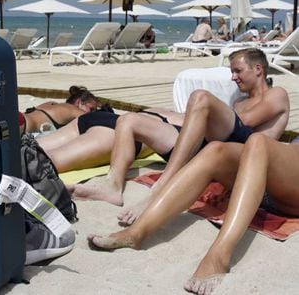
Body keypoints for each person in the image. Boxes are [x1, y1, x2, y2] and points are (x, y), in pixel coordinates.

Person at [82, 48, 289, 225]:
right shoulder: (238, 101)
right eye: (232, 72)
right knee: (129, 120)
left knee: (200, 97)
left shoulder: (276, 94)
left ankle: (163, 185)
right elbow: (215, 122)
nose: (233, 77)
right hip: (214, 148)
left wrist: (203, 112)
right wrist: (178, 116)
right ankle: (113, 185)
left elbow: (246, 121)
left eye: (238, 71)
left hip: (246, 155)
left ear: (258, 69)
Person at [87, 134, 299, 294]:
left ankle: (219, 256)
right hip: (279, 175)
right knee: (216, 149)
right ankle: (137, 232)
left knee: (259, 141)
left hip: (290, 192)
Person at [37, 110, 159, 175]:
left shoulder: (158, 111)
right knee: (45, 161)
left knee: (29, 147)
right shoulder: (176, 123)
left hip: (100, 117)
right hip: (118, 133)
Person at [19, 85, 98, 135]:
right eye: (91, 109)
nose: (92, 112)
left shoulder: (51, 104)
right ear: (79, 102)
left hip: (20, 118)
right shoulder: (72, 109)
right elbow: (97, 120)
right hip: (22, 126)